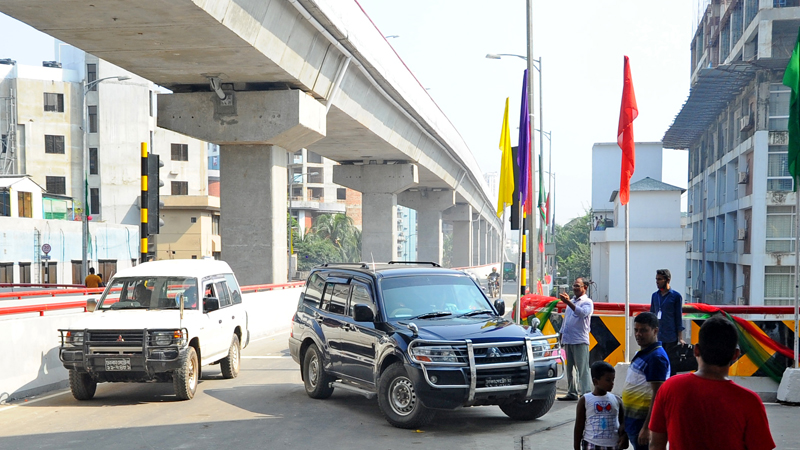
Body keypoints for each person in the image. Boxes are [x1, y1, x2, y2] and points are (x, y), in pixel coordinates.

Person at [649, 316, 775, 450]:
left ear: (696, 350)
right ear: (735, 355)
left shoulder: (670, 388)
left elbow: (656, 444)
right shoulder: (750, 402)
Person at [621, 312, 669, 450]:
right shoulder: (643, 353)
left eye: (643, 330)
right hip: (633, 422)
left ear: (655, 331)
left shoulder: (656, 358)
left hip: (642, 424)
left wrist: (647, 428)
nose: (638, 334)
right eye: (636, 330)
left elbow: (658, 395)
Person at [574, 361, 628, 450]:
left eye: (613, 379)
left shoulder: (617, 400)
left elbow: (624, 422)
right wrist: (576, 447)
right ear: (596, 381)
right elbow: (579, 427)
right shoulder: (585, 400)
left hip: (613, 444)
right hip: (591, 444)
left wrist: (624, 436)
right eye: (608, 380)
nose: (612, 383)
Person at [558, 277, 594, 401]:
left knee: (582, 369)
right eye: (574, 286)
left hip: (580, 340)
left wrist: (568, 302)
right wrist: (561, 334)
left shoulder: (587, 302)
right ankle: (572, 392)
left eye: (578, 286)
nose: (575, 288)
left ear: (585, 287)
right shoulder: (572, 302)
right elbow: (566, 320)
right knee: (570, 369)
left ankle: (585, 393)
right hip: (568, 339)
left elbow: (582, 313)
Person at [649, 269, 684, 375]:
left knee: (671, 365)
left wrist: (680, 337)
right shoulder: (655, 296)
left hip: (671, 337)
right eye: (656, 279)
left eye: (660, 279)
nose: (657, 282)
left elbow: (678, 317)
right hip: (658, 337)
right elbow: (652, 315)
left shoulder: (676, 296)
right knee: (658, 363)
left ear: (667, 280)